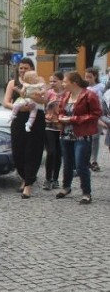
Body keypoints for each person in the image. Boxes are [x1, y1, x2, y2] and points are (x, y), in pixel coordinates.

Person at [55, 71, 101, 205]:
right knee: (68, 163)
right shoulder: (66, 95)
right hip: (66, 134)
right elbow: (61, 111)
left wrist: (74, 119)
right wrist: (61, 118)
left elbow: (96, 113)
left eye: (65, 81)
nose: (63, 84)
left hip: (82, 135)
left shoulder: (89, 95)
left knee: (81, 164)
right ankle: (66, 187)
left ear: (74, 83)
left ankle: (86, 193)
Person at [4, 57, 46, 199]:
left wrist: (34, 99)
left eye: (25, 68)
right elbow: (6, 102)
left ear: (31, 69)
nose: (22, 70)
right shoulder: (13, 83)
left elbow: (44, 100)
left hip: (36, 119)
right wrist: (18, 107)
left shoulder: (39, 82)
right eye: (21, 68)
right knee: (18, 151)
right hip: (19, 118)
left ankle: (28, 184)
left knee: (32, 151)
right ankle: (24, 176)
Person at [42, 71, 64, 190]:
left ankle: (55, 179)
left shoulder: (66, 94)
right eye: (50, 81)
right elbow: (43, 103)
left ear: (61, 81)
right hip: (49, 125)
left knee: (59, 154)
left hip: (60, 126)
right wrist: (45, 91)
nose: (52, 83)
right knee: (51, 152)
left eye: (55, 81)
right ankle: (47, 178)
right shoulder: (49, 92)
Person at [84, 67, 104, 172]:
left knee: (95, 138)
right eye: (86, 77)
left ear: (95, 77)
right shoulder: (84, 88)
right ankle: (86, 160)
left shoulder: (101, 87)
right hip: (86, 116)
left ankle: (94, 160)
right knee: (87, 138)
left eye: (89, 77)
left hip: (98, 115)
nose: (87, 79)